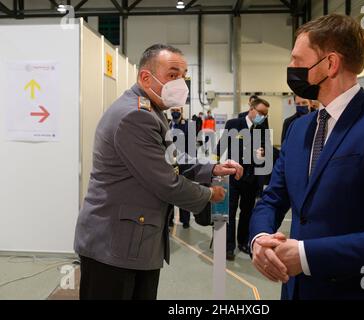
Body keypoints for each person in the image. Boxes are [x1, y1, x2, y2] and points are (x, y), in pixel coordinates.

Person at [250, 14, 364, 300]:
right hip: (297, 291)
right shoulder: (299, 129)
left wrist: (305, 255)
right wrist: (260, 239)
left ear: (331, 64)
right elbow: (273, 197)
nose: (291, 68)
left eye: (298, 60)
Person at [74, 44, 243, 300]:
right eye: (172, 75)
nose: (181, 84)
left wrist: (212, 168)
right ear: (145, 77)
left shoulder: (151, 110)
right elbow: (167, 183)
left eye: (184, 76)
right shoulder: (135, 115)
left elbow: (170, 158)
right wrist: (209, 194)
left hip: (132, 242)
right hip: (114, 245)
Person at [218, 98, 271, 261]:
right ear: (252, 109)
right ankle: (228, 247)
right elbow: (221, 147)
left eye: (266, 114)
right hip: (234, 176)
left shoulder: (262, 128)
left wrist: (264, 154)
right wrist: (214, 168)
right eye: (261, 113)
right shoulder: (234, 124)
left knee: (247, 213)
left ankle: (243, 242)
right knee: (231, 212)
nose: (263, 116)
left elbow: (267, 152)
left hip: (252, 178)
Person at [168, 106, 191, 228]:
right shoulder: (166, 124)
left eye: (177, 110)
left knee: (184, 190)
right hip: (169, 163)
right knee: (169, 190)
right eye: (172, 110)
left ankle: (185, 220)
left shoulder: (188, 125)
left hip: (184, 163)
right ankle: (169, 219)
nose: (175, 113)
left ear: (181, 111)